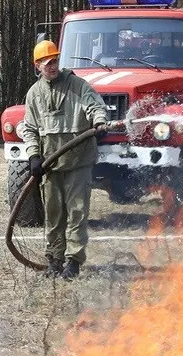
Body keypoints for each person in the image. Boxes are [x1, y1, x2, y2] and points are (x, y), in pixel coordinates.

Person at [23, 40, 108, 280]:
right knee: (53, 215)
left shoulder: (78, 86)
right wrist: (33, 156)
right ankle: (54, 259)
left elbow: (95, 107)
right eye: (47, 63)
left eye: (55, 61)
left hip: (78, 161)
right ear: (37, 65)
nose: (53, 66)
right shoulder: (34, 94)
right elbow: (29, 128)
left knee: (77, 213)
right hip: (50, 165)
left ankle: (73, 262)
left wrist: (99, 122)